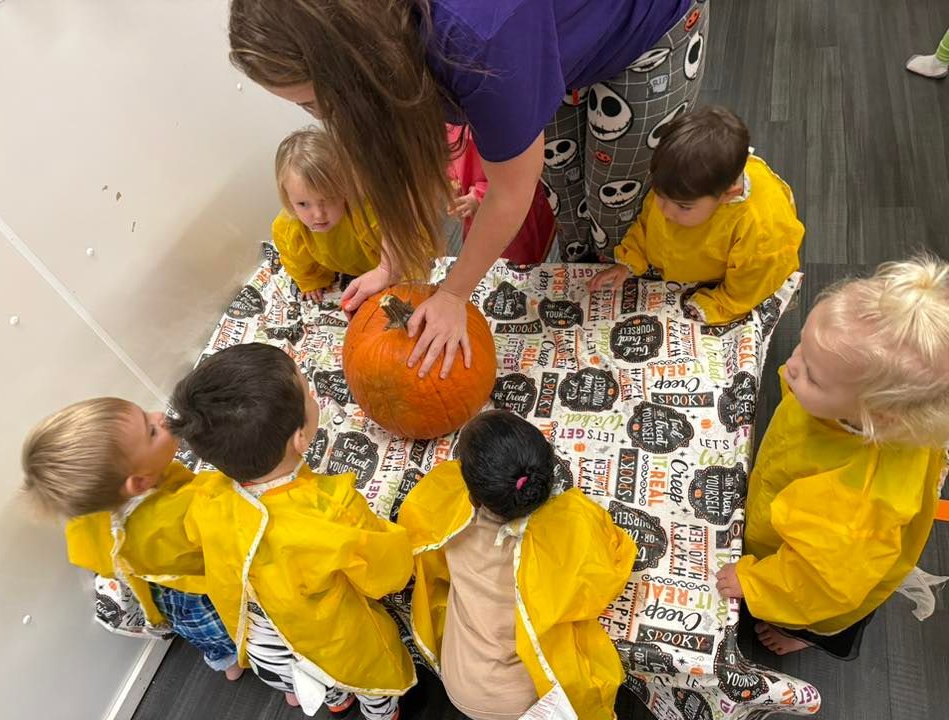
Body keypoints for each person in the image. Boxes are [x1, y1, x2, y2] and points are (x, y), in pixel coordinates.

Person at [228, 0, 709, 378]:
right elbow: (397, 152)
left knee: (615, 212)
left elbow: (509, 191)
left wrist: (455, 294)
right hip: (548, 43)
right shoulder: (393, 38)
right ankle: (592, 291)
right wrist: (390, 261)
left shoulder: (475, 38)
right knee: (565, 197)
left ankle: (633, 319)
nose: (321, 117)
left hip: (644, 31)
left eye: (314, 102)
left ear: (354, 57)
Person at [715, 256, 949, 658]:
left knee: (824, 620)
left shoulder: (855, 505)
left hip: (833, 580)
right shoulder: (862, 407)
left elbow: (820, 583)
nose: (790, 366)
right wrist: (812, 379)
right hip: (803, 514)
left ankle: (804, 638)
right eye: (803, 347)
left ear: (875, 416)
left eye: (813, 375)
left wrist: (754, 583)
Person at [168, 343, 414, 720]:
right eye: (309, 393)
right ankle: (380, 711)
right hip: (335, 647)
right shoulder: (333, 508)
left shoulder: (203, 498)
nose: (314, 397)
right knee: (371, 678)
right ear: (301, 438)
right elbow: (387, 573)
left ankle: (335, 702)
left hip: (265, 653)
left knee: (323, 685)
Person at [398, 409, 637, 719]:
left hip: (457, 683)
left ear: (473, 497)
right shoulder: (570, 525)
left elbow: (419, 509)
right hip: (527, 700)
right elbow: (611, 567)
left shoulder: (452, 520)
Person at [21, 398, 241, 680]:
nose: (160, 416)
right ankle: (263, 667)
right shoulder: (172, 516)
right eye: (151, 430)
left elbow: (93, 555)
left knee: (208, 640)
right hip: (201, 592)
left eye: (146, 414)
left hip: (159, 593)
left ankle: (227, 665)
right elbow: (224, 517)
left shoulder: (88, 515)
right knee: (231, 630)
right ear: (139, 483)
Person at [589, 106, 804, 324]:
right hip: (687, 268)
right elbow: (648, 224)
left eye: (683, 207)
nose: (665, 211)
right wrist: (628, 261)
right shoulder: (679, 185)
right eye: (660, 195)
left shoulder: (762, 230)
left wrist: (714, 306)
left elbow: (751, 286)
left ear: (728, 195)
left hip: (746, 284)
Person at [273, 126, 382, 303]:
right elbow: (296, 261)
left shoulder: (367, 216)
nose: (318, 215)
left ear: (345, 190)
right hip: (339, 268)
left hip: (381, 269)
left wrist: (389, 273)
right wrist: (311, 281)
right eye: (303, 204)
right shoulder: (288, 227)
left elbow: (401, 251)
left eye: (328, 200)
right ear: (287, 198)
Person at [447, 124, 555, 265]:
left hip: (513, 211)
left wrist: (481, 195)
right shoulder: (450, 117)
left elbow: (522, 170)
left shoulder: (506, 123)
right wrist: (452, 182)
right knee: (480, 254)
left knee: (515, 263)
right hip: (476, 206)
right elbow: (449, 151)